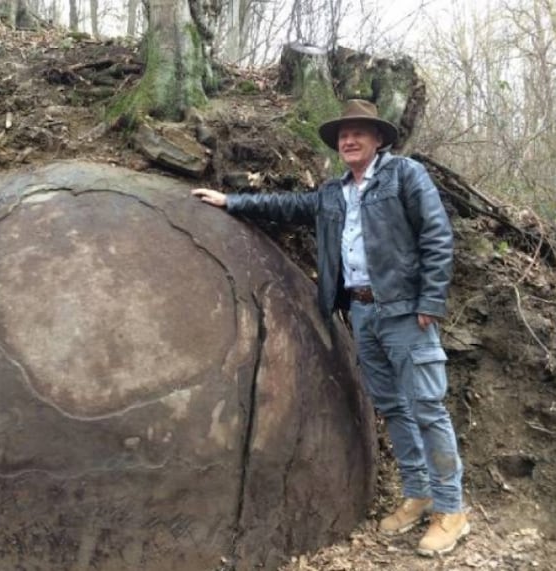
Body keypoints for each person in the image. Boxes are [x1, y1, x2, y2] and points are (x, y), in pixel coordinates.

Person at [191, 99, 469, 557]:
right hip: (361, 312)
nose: (349, 140)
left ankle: (451, 508)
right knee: (393, 407)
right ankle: (418, 493)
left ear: (378, 138)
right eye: (343, 134)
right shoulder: (334, 193)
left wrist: (431, 300)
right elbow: (288, 205)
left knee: (426, 406)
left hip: (404, 311)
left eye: (359, 132)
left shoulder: (404, 176)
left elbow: (437, 236)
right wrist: (231, 201)